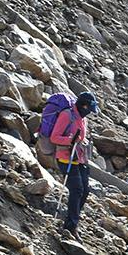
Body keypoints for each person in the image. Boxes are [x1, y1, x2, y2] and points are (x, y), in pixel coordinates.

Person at [49, 91, 98, 238]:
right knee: (76, 189)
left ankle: (72, 219)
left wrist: (83, 143)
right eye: (88, 109)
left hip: (79, 158)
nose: (89, 113)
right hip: (65, 157)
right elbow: (54, 137)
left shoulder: (83, 119)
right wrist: (70, 140)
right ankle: (71, 225)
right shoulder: (67, 115)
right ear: (83, 106)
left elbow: (80, 137)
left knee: (85, 190)